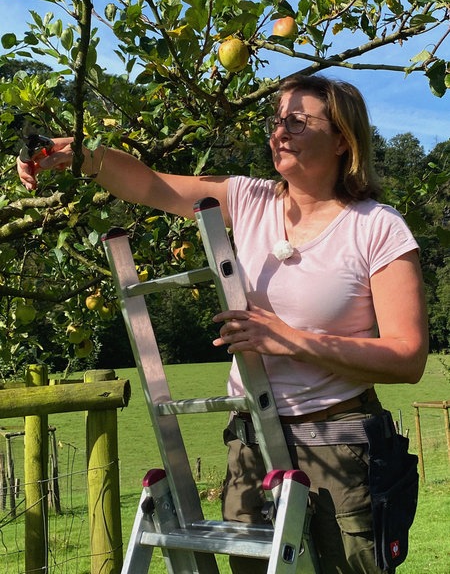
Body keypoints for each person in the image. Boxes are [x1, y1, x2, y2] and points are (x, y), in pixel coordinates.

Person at [18, 74, 428, 574]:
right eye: (277, 121)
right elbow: (151, 183)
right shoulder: (249, 200)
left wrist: (292, 341)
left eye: (297, 122)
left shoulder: (377, 227)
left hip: (339, 449)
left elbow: (408, 357)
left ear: (343, 138)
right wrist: (75, 154)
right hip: (251, 444)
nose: (279, 132)